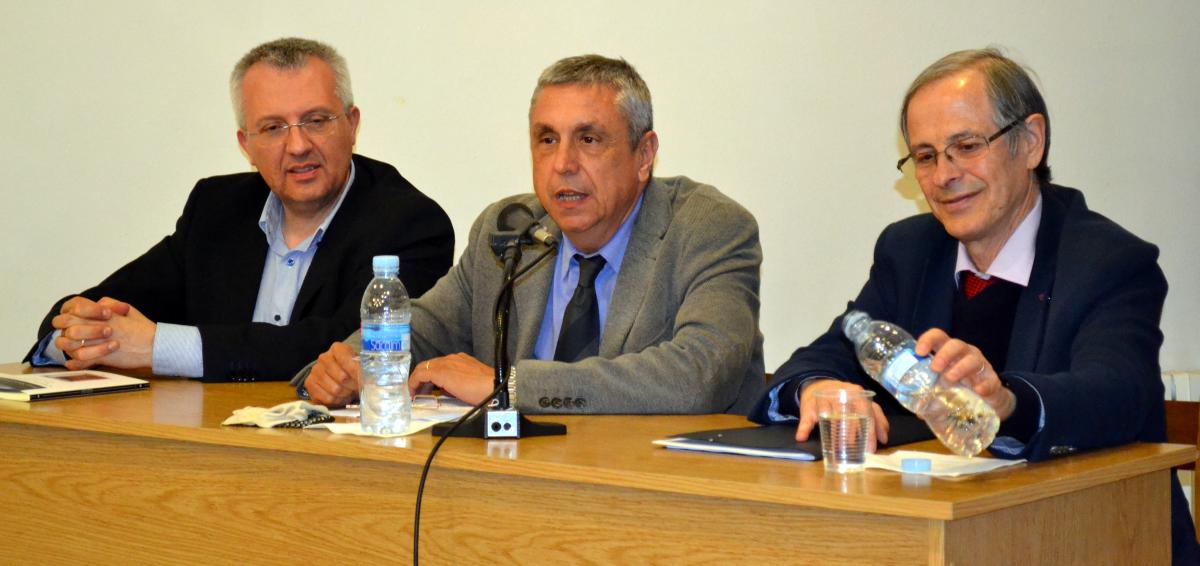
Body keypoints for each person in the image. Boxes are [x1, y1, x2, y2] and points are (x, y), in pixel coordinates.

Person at [750, 48, 1197, 562]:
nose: (944, 175)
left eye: (965, 146)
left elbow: (1118, 395)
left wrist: (1005, 401)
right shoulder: (910, 250)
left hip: (1097, 536)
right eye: (925, 156)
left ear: (1030, 142)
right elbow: (826, 355)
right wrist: (819, 388)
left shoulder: (1108, 260)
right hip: (947, 537)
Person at [295, 54, 763, 415]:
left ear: (644, 156)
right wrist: (352, 365)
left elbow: (702, 374)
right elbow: (426, 327)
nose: (563, 164)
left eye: (589, 139)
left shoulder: (707, 228)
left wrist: (510, 386)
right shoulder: (510, 228)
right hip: (521, 485)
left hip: (660, 489)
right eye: (547, 139)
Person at [24, 37, 454, 381]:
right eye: (273, 127)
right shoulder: (216, 209)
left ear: (352, 125)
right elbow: (100, 303)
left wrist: (157, 347)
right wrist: (81, 331)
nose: (298, 145)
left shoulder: (410, 224)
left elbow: (343, 348)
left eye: (316, 121)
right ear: (246, 145)